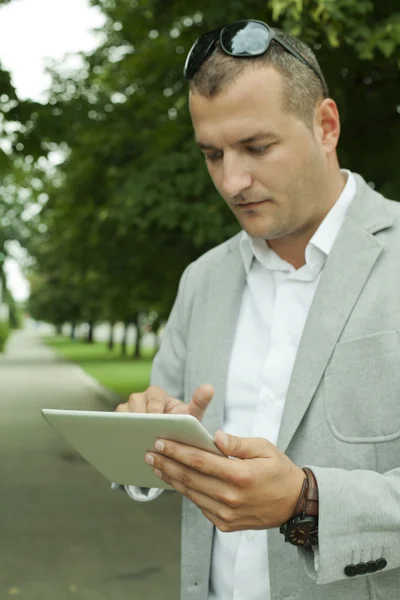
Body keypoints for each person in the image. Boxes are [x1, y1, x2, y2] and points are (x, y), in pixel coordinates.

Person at [115, 19, 400, 600]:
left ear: (325, 125)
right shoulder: (202, 279)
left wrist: (307, 502)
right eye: (212, 154)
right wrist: (146, 435)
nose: (232, 180)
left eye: (256, 147)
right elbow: (155, 437)